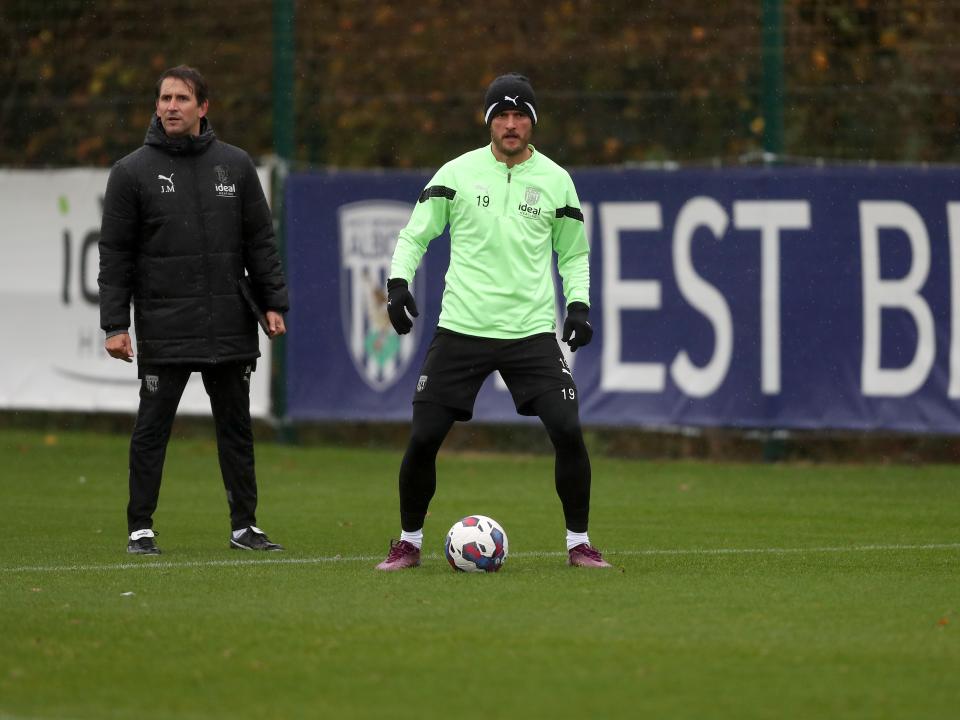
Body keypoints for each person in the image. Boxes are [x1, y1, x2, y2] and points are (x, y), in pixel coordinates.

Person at [375, 73, 611, 571]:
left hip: (530, 332)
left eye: (520, 115)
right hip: (462, 327)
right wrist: (397, 284)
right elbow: (415, 235)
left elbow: (574, 254)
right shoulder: (457, 173)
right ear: (488, 121)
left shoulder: (556, 180)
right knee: (423, 437)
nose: (511, 124)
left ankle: (579, 545)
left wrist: (579, 306)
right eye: (501, 115)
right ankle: (409, 543)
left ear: (532, 122)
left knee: (567, 429)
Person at [98, 65, 289, 555]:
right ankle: (140, 528)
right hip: (165, 326)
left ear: (203, 107)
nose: (171, 107)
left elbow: (260, 242)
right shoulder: (131, 172)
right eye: (164, 98)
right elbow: (115, 255)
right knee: (152, 430)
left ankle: (245, 527)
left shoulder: (236, 166)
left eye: (182, 98)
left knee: (236, 431)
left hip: (228, 323)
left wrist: (272, 302)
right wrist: (115, 324)